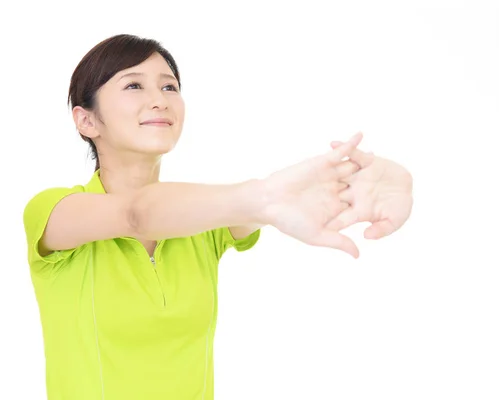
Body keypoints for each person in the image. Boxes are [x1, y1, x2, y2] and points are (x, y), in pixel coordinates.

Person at [22, 33, 413, 400]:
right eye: (134, 85)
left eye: (169, 86)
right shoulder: (53, 212)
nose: (159, 99)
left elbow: (273, 204)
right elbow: (136, 214)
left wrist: (354, 185)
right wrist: (264, 197)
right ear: (86, 120)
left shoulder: (203, 221)